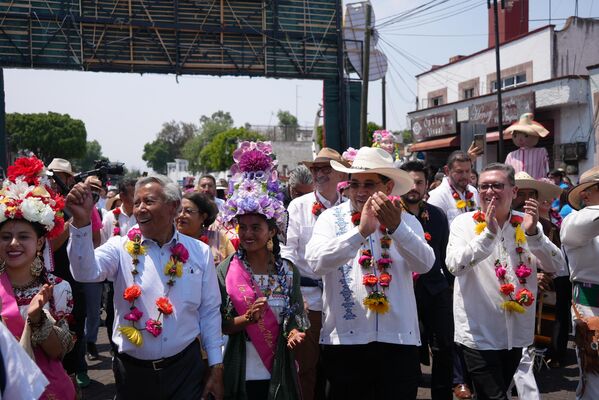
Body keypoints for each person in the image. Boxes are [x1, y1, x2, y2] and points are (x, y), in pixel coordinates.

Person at [67, 175, 224, 399]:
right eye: (137, 202)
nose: (140, 209)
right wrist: (81, 222)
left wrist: (216, 366)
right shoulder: (120, 247)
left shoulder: (200, 252)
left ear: (173, 207)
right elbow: (84, 272)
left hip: (185, 370)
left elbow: (209, 311)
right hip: (133, 375)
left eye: (148, 201)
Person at [305, 147, 435, 399]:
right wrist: (360, 233)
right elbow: (315, 262)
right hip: (345, 341)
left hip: (398, 340)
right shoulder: (331, 219)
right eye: (354, 184)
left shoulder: (407, 221)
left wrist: (397, 228)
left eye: (369, 184)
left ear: (387, 187)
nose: (360, 192)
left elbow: (426, 264)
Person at [446, 163, 564, 400]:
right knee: (495, 396)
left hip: (515, 334)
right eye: (484, 186)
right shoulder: (463, 223)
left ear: (514, 192)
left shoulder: (529, 223)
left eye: (497, 186)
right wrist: (487, 235)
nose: (489, 191)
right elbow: (455, 265)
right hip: (478, 334)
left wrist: (534, 236)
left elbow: (557, 266)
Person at [217, 141, 306, 399]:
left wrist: (293, 332)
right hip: (239, 372)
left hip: (278, 372)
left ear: (272, 231)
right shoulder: (226, 270)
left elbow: (297, 314)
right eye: (242, 227)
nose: (247, 233)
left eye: (255, 227)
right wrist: (246, 320)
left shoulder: (288, 272)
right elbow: (219, 324)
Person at [0, 155, 76, 399]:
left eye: (23, 236)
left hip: (48, 390)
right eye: (5, 237)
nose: (13, 244)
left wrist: (37, 318)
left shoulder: (57, 288)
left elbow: (58, 353)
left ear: (40, 241)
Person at [280, 147, 349, 400]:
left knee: (340, 370)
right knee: (305, 369)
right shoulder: (298, 206)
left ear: (340, 173)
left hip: (342, 300)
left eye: (325, 168)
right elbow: (286, 254)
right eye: (315, 168)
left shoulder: (349, 207)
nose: (319, 173)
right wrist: (296, 294)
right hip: (309, 299)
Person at [427, 150, 479, 399]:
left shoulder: (474, 193)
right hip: (451, 269)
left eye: (468, 171)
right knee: (455, 327)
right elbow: (437, 239)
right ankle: (458, 380)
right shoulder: (438, 198)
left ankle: (471, 376)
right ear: (447, 171)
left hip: (474, 266)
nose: (464, 176)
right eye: (459, 171)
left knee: (472, 323)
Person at [400, 160, 453, 400]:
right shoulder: (392, 214)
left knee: (444, 347)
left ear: (427, 186)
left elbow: (442, 256)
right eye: (409, 182)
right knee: (408, 352)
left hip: (435, 289)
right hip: (403, 292)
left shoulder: (438, 216)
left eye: (419, 182)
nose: (414, 187)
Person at [510, 172, 565, 399]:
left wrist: (542, 276)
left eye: (529, 194)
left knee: (528, 345)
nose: (524, 199)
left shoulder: (548, 227)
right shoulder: (501, 222)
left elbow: (557, 262)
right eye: (519, 193)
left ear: (536, 197)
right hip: (504, 291)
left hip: (537, 294)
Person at [560, 165, 599, 399]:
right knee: (594, 380)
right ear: (585, 195)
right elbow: (589, 223)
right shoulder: (574, 221)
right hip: (591, 307)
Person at [176, 191, 235, 266]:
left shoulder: (219, 238)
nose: (181, 215)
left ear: (203, 217)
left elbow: (234, 265)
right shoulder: (171, 239)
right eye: (179, 210)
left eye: (188, 211)